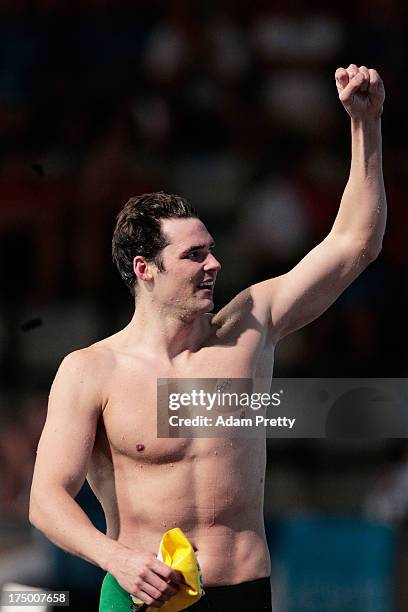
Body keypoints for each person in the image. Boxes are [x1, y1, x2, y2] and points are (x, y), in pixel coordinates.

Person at [29, 64, 386, 611]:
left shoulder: (250, 325)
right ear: (145, 269)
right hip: (140, 596)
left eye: (212, 249)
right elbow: (46, 499)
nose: (214, 264)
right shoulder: (92, 370)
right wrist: (116, 558)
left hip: (243, 592)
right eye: (194, 256)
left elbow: (355, 243)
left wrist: (366, 124)